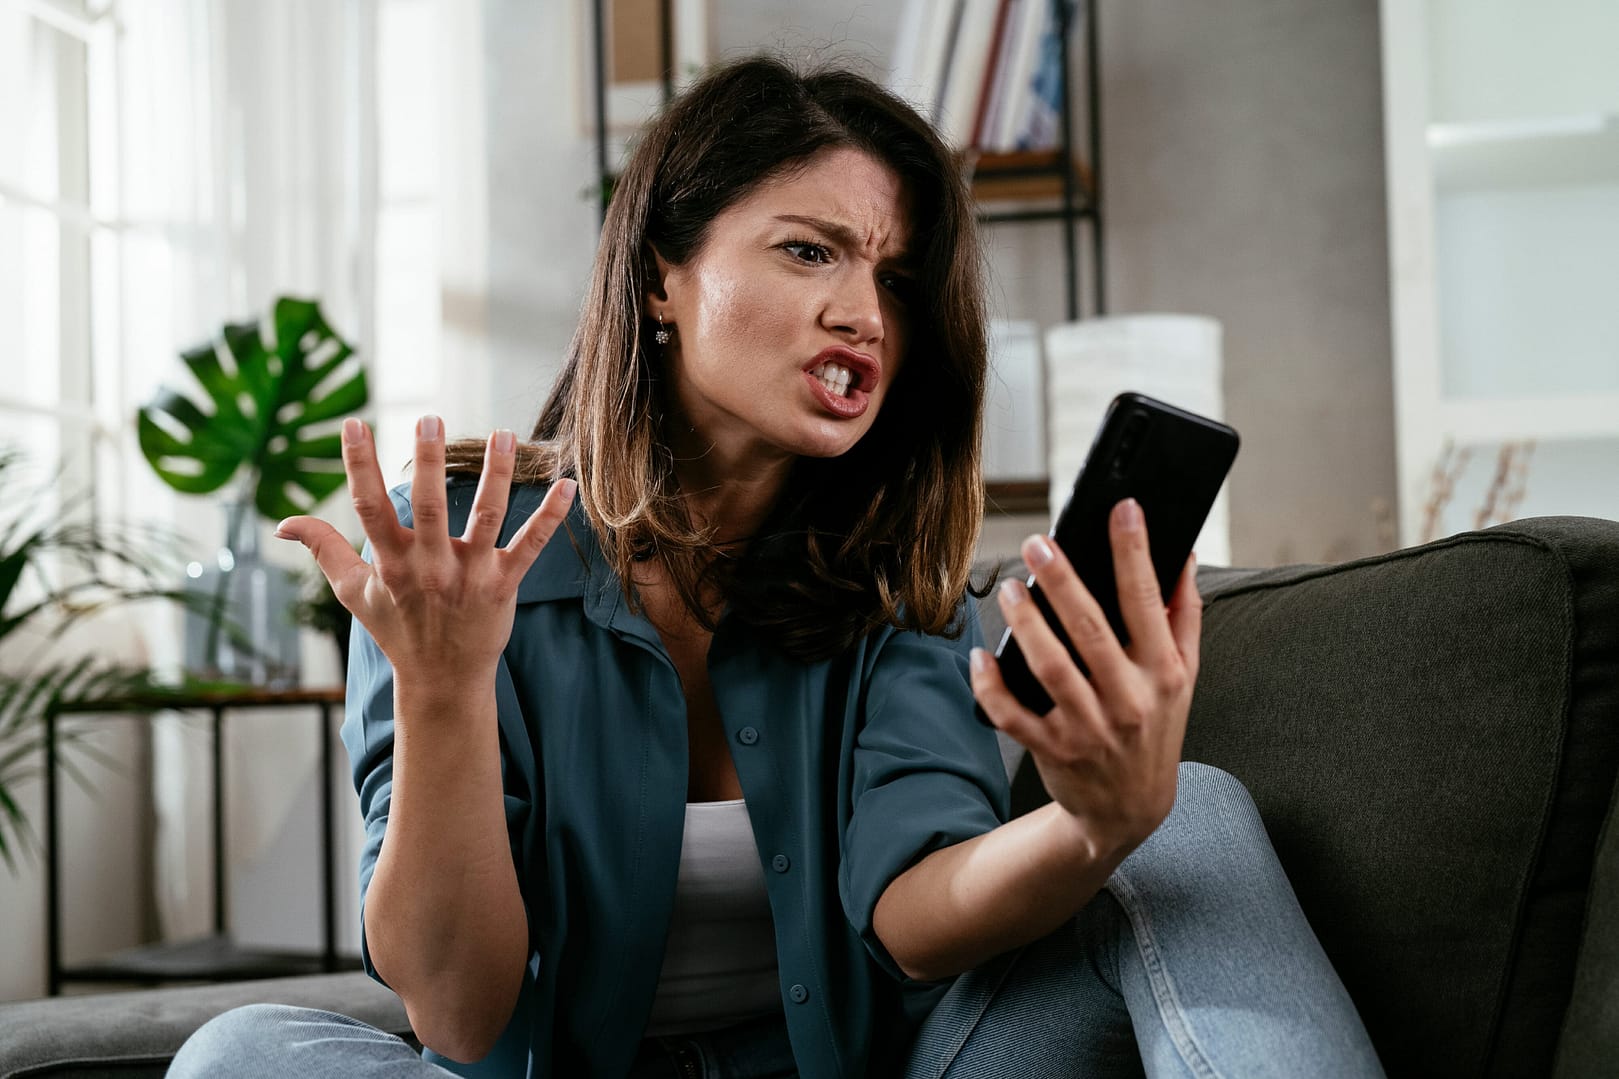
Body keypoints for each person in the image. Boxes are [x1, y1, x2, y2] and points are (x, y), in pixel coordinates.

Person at [167, 56, 1384, 1079]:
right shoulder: (456, 564)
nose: (863, 309)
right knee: (241, 1052)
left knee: (1188, 815)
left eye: (893, 280)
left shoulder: (894, 586)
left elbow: (907, 919)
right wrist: (438, 690)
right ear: (659, 275)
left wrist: (1094, 822)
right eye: (810, 252)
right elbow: (460, 1012)